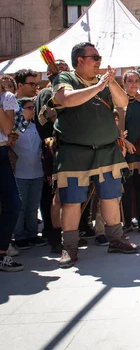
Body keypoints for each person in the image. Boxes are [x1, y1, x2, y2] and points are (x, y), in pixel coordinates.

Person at [52, 42, 140, 269]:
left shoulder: (103, 82)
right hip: (74, 152)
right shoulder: (65, 79)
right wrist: (98, 86)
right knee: (71, 201)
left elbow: (122, 103)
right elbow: (67, 99)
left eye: (99, 56)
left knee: (110, 197)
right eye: (95, 57)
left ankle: (116, 239)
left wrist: (109, 83)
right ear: (80, 60)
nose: (99, 60)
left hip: (106, 151)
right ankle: (69, 247)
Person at [34, 59, 70, 253]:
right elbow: (48, 118)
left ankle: (62, 234)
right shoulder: (48, 93)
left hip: (65, 148)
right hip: (54, 148)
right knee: (55, 194)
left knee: (64, 194)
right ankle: (55, 237)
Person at [11, 97, 46, 249]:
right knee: (20, 207)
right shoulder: (13, 127)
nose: (32, 110)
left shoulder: (36, 126)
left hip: (37, 172)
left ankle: (32, 234)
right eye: (29, 108)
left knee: (33, 207)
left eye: (33, 107)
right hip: (19, 173)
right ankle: (19, 236)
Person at [120, 70, 140, 232]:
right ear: (123, 83)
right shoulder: (117, 101)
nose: (133, 84)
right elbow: (114, 126)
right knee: (126, 190)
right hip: (123, 152)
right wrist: (123, 141)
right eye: (130, 81)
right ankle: (125, 223)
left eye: (136, 81)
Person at [0, 85, 23, 271]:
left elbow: (7, 129)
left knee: (14, 204)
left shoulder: (6, 97)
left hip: (1, 153)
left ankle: (2, 252)